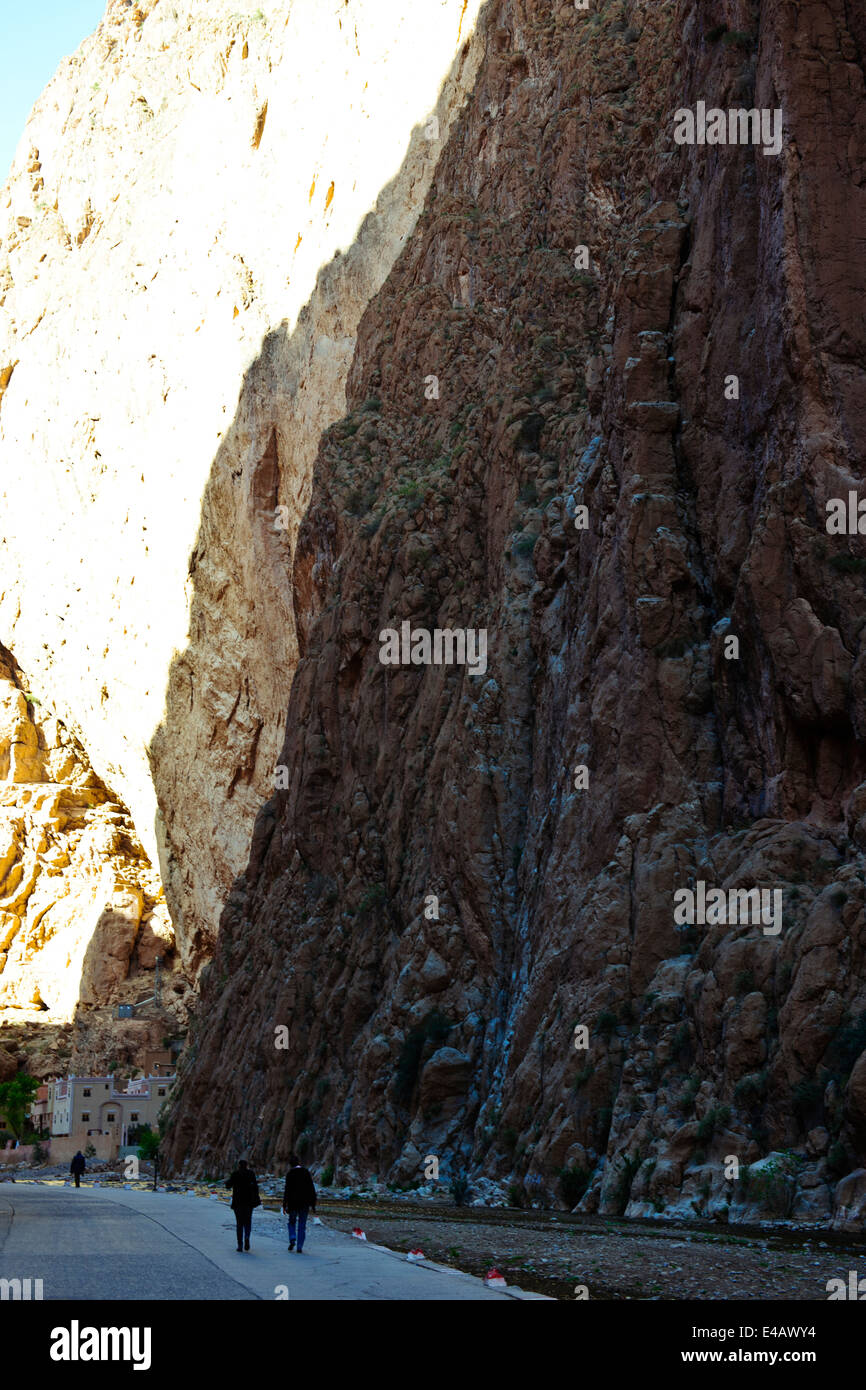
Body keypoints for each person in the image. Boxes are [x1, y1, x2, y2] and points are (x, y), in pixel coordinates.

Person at [282, 1153, 317, 1253]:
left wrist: (285, 1204)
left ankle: (292, 1237)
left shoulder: (290, 1174)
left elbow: (287, 1190)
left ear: (290, 1164)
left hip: (293, 1203)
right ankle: (299, 1246)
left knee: (291, 1222)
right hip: (304, 1203)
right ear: (299, 1162)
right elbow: (311, 1188)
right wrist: (313, 1204)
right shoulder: (306, 1172)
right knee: (302, 1225)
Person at [225, 1158, 260, 1252]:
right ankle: (247, 1237)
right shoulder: (251, 1174)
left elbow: (228, 1185)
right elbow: (256, 1188)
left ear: (239, 1165)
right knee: (248, 1221)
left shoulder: (235, 1174)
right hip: (249, 1202)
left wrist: (228, 1181)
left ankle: (240, 1244)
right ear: (247, 1165)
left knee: (239, 1223)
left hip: (238, 1202)